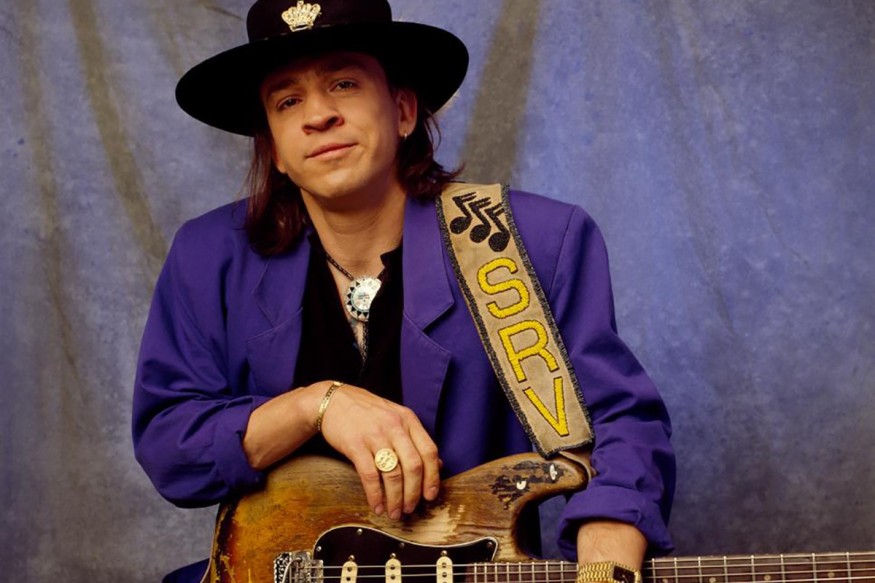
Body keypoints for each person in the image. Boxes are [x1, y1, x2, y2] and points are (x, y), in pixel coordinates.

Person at [132, 0, 675, 581]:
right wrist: (317, 406)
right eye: (287, 101)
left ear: (403, 111)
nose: (318, 116)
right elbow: (170, 447)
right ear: (275, 149)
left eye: (344, 83)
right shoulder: (207, 256)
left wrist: (605, 554)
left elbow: (620, 425)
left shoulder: (528, 243)